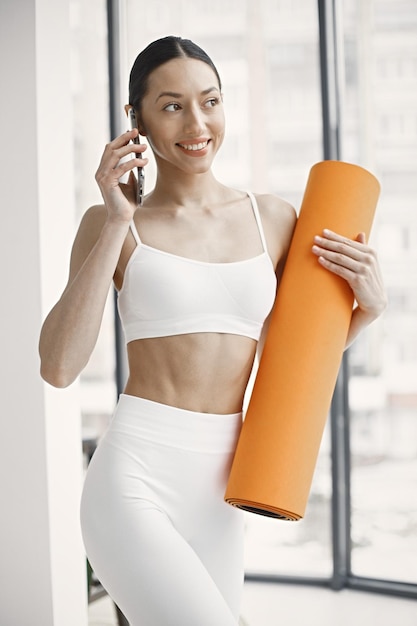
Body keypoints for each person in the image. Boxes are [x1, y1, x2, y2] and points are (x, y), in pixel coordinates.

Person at [39, 36, 387, 625]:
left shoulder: (274, 218)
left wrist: (367, 313)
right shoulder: (111, 223)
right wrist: (118, 218)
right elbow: (59, 366)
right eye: (172, 105)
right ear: (137, 119)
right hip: (134, 478)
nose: (197, 123)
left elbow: (292, 364)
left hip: (222, 490)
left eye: (211, 101)